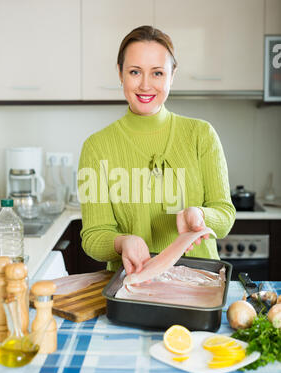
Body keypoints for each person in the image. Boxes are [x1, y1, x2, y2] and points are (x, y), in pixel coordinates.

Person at [78, 25, 235, 277]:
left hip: (198, 282)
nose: (145, 85)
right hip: (133, 283)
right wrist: (122, 242)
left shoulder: (201, 135)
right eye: (135, 72)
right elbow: (93, 237)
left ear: (172, 76)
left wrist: (200, 215)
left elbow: (225, 215)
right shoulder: (96, 147)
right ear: (120, 74)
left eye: (158, 73)